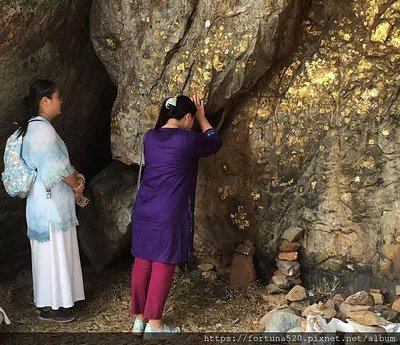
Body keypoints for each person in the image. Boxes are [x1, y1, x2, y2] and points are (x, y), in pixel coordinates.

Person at [130, 95, 222, 337]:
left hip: (144, 208)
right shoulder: (187, 140)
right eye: (192, 117)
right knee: (163, 261)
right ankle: (156, 324)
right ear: (188, 117)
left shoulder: (150, 137)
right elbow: (214, 142)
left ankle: (139, 319)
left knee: (143, 260)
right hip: (168, 211)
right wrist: (203, 118)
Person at [20, 79, 85, 322]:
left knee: (47, 253)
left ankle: (48, 303)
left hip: (42, 202)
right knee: (55, 251)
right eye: (57, 97)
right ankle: (57, 305)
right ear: (45, 101)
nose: (61, 102)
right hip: (51, 203)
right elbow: (57, 168)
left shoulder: (32, 128)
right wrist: (76, 183)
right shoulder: (43, 131)